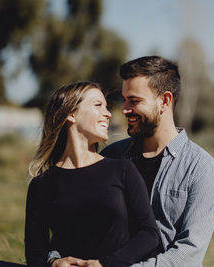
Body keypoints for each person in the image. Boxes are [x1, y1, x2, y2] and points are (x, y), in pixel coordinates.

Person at [100, 56, 214, 266]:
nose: (125, 109)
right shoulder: (111, 157)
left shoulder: (201, 169)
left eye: (135, 100)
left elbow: (188, 254)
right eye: (124, 99)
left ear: (165, 100)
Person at [25, 81, 159, 267]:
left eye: (106, 106)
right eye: (98, 105)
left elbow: (149, 234)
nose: (108, 113)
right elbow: (34, 251)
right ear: (71, 114)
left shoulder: (123, 170)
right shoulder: (42, 184)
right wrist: (53, 263)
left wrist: (105, 264)